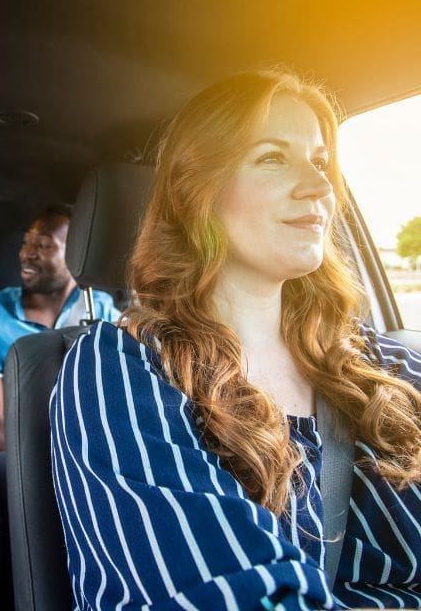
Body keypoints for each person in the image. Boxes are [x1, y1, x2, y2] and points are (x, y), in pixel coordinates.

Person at [50, 69, 421, 610]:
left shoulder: (384, 364)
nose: (321, 186)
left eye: (320, 162)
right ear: (196, 191)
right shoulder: (120, 371)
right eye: (272, 157)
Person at [0, 204, 119, 474]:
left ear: (77, 255)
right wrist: (79, 452)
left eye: (43, 245)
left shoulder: (101, 309)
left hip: (95, 453)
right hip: (14, 454)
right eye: (25, 243)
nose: (26, 254)